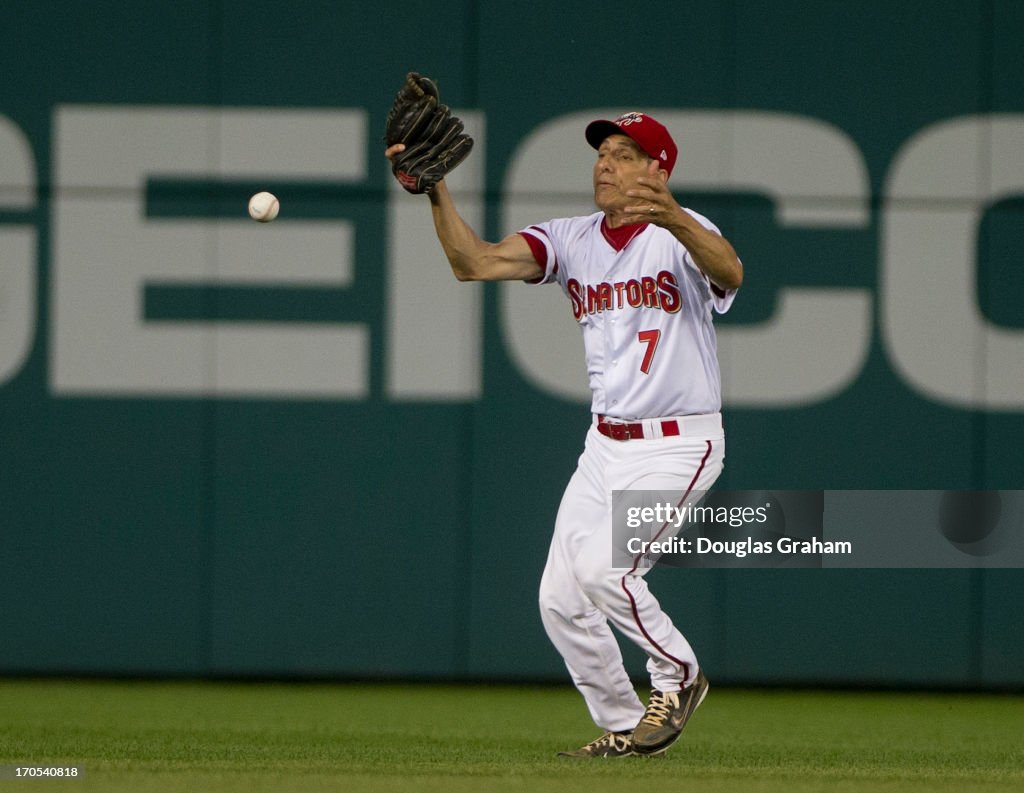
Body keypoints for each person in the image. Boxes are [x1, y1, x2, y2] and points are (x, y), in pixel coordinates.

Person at [386, 111, 742, 758]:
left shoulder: (684, 235)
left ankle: (679, 675)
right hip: (604, 445)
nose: (605, 162)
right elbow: (474, 262)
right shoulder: (572, 239)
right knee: (560, 596)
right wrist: (436, 191)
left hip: (679, 441)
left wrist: (676, 218)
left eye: (625, 153)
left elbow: (733, 272)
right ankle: (625, 725)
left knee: (607, 570)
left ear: (658, 170)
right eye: (602, 151)